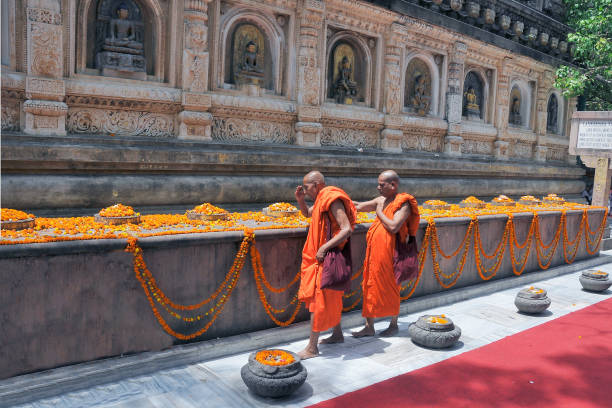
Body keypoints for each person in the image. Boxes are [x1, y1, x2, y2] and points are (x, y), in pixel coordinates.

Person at [295, 171, 357, 359]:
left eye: (306, 188)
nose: (305, 191)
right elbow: (308, 213)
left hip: (326, 257)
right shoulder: (322, 199)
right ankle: (337, 334)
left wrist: (324, 248)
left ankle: (312, 348)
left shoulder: (331, 198)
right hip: (322, 257)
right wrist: (299, 200)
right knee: (331, 299)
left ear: (316, 184)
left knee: (318, 302)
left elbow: (346, 229)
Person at [352, 170, 420, 337]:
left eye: (381, 185)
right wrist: (339, 199)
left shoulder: (403, 203)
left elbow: (393, 226)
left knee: (391, 287)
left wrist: (379, 212)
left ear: (393, 185)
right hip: (374, 253)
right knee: (369, 285)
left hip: (391, 254)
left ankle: (393, 324)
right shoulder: (380, 200)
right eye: (378, 184)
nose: (378, 187)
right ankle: (369, 326)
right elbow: (359, 207)